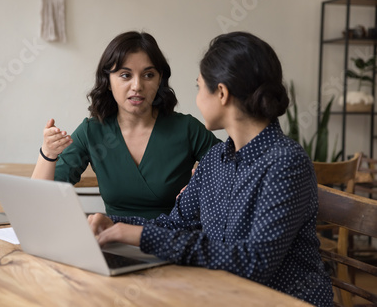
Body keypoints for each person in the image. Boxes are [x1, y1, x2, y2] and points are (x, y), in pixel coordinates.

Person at [88, 32, 333, 306]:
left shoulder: (286, 163)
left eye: (199, 87)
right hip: (222, 295)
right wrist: (117, 224)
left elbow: (254, 263)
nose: (197, 99)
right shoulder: (215, 159)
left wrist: (144, 237)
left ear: (221, 93)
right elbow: (174, 223)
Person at [32, 31, 220, 219]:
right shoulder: (92, 131)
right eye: (125, 75)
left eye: (148, 75)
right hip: (113, 241)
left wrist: (202, 189)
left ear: (159, 80)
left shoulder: (187, 129)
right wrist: (48, 153)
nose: (137, 86)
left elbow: (238, 172)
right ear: (107, 81)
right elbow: (39, 201)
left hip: (172, 241)